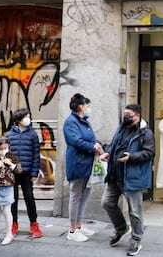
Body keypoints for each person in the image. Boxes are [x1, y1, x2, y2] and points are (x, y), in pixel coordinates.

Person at [101, 104, 155, 256]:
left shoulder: (145, 133)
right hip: (114, 175)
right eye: (125, 114)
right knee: (107, 202)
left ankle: (136, 239)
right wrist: (108, 153)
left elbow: (149, 152)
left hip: (131, 177)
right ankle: (121, 227)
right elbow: (114, 145)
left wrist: (132, 157)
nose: (126, 117)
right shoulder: (121, 128)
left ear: (137, 116)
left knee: (135, 211)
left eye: (129, 114)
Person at [63, 94, 103, 242]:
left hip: (87, 163)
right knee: (75, 196)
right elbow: (75, 141)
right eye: (87, 106)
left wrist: (97, 145)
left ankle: (79, 225)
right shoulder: (71, 122)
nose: (88, 109)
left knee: (84, 195)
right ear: (81, 106)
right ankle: (72, 230)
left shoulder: (84, 121)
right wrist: (93, 147)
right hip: (77, 163)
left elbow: (91, 139)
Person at [6, 108, 42, 238]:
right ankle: (13, 224)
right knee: (12, 200)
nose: (28, 119)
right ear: (18, 119)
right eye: (26, 116)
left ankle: (34, 224)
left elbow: (36, 155)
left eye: (29, 116)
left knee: (29, 198)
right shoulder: (9, 135)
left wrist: (34, 173)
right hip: (12, 173)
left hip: (26, 172)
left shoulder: (33, 135)